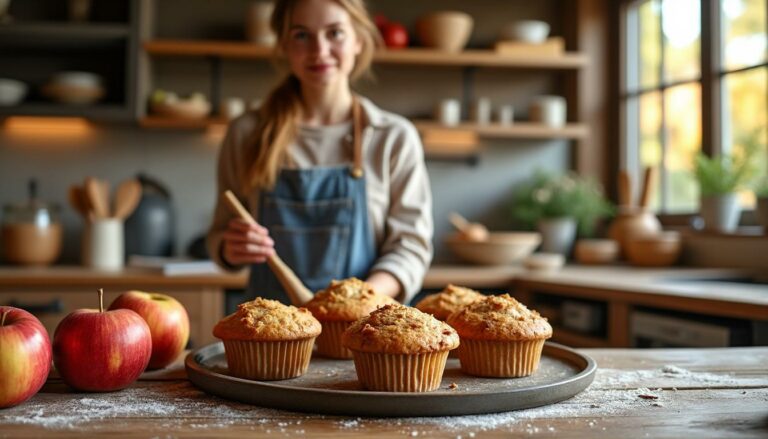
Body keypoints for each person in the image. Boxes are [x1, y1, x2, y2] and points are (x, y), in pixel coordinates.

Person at [206, 0, 433, 305]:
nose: (319, 50)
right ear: (284, 44)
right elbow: (220, 234)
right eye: (302, 35)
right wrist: (229, 248)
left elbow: (411, 248)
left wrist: (358, 302)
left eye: (335, 33)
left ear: (358, 41)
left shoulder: (391, 137)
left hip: (365, 332)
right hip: (271, 339)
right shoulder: (246, 133)